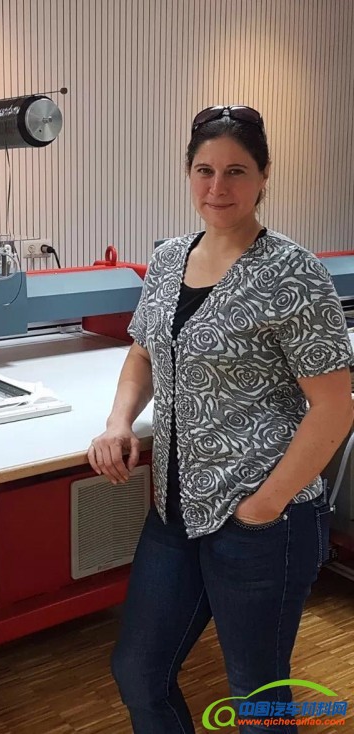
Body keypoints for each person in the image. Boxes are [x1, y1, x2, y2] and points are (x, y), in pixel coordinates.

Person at [87, 105, 354, 734]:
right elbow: (144, 351)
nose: (218, 186)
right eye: (205, 170)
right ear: (189, 175)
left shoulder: (293, 273)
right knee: (139, 672)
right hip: (175, 510)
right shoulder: (168, 259)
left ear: (263, 177)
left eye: (236, 171)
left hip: (263, 521)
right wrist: (119, 421)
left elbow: (335, 406)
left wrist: (264, 505)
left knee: (257, 698)